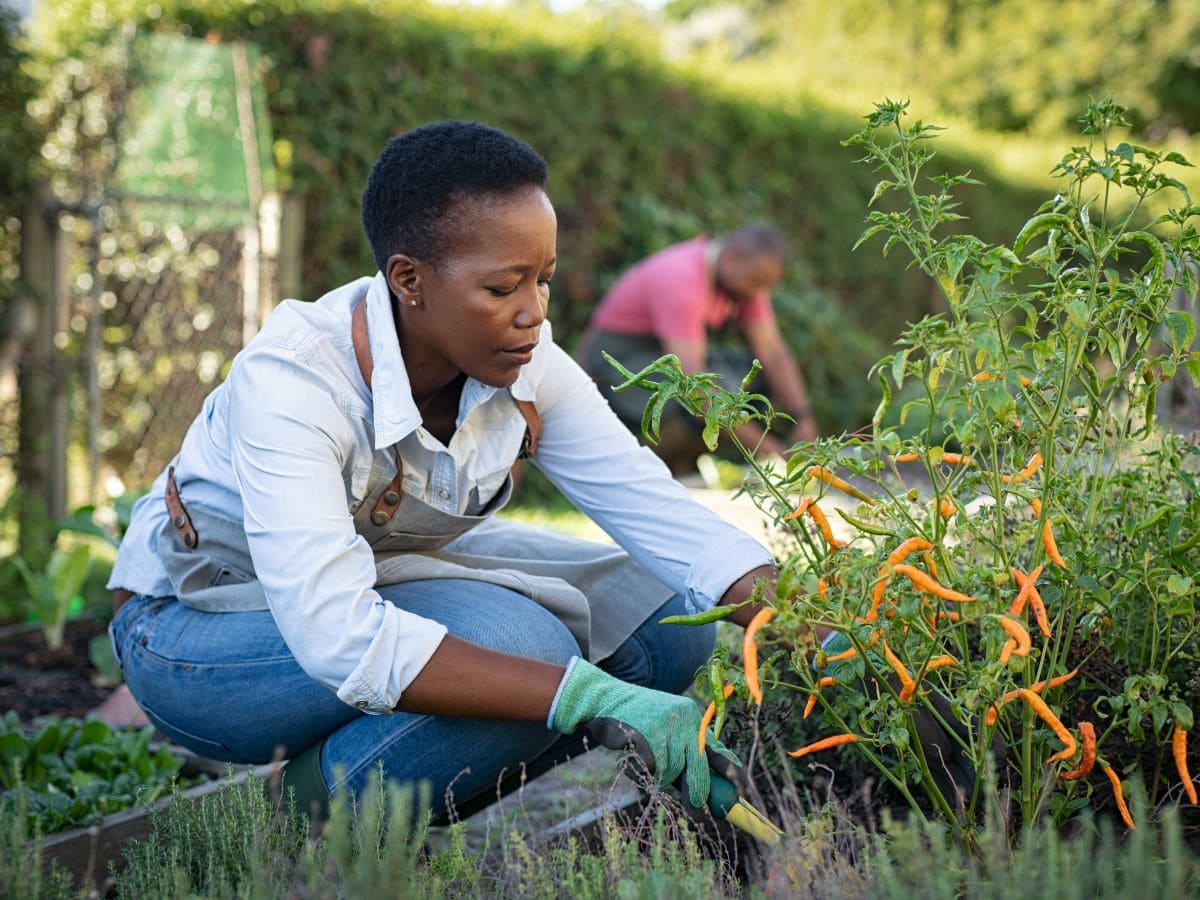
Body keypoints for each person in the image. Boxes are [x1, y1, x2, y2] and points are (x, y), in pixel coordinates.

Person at [104, 121, 805, 822]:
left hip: (383, 573)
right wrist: (588, 698)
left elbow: (663, 517)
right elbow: (339, 634)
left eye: (545, 281)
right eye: (503, 287)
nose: (534, 313)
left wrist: (829, 637)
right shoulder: (296, 383)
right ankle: (287, 821)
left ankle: (386, 773)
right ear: (409, 279)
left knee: (669, 618)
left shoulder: (527, 360)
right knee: (521, 648)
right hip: (196, 632)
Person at [579, 227, 818, 475]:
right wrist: (765, 448)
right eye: (756, 282)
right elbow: (694, 386)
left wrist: (803, 416)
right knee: (697, 399)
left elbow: (772, 352)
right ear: (732, 258)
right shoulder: (682, 279)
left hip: (659, 356)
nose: (758, 293)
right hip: (615, 363)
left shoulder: (741, 281)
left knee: (754, 382)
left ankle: (680, 463)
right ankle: (632, 466)